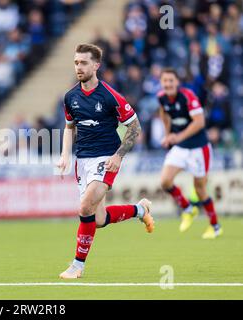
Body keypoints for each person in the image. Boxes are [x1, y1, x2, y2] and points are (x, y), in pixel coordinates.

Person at [57, 44, 154, 279]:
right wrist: (64, 155)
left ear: (96, 66)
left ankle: (77, 266)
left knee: (84, 208)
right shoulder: (71, 97)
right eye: (76, 62)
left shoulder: (111, 96)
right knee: (98, 219)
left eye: (83, 63)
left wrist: (118, 156)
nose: (78, 67)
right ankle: (140, 210)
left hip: (106, 158)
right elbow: (70, 128)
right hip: (83, 161)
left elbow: (135, 126)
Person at [158, 68, 222, 239]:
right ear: (161, 83)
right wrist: (167, 135)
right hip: (180, 148)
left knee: (200, 189)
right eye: (165, 81)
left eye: (171, 80)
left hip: (199, 148)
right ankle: (187, 208)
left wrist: (177, 136)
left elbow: (200, 122)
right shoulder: (161, 98)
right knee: (165, 181)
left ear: (177, 82)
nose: (168, 84)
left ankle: (215, 226)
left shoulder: (188, 96)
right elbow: (164, 113)